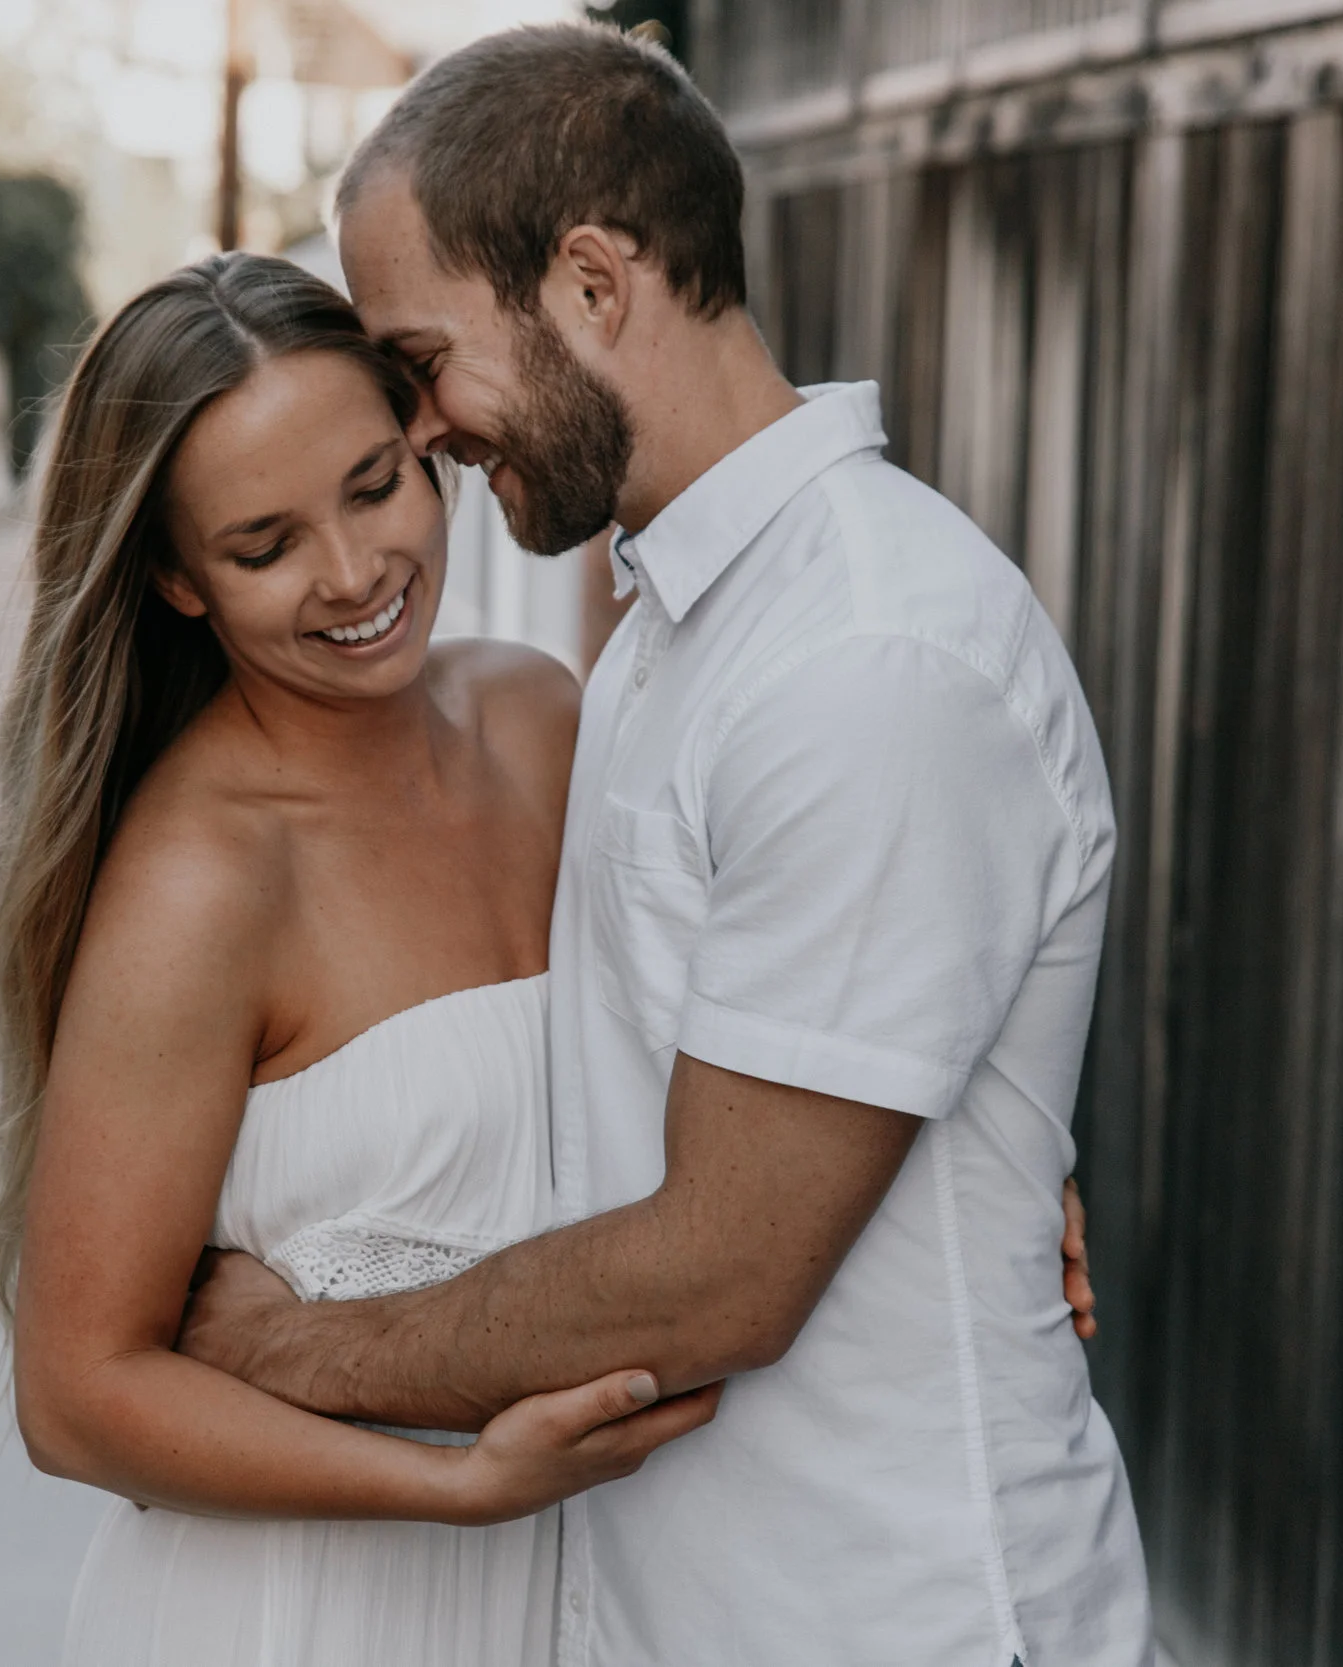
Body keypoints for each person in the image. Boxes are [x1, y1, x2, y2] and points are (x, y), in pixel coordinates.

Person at [175, 22, 1154, 1666]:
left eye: (423, 360)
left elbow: (720, 1277)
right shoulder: (681, 626)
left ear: (591, 283)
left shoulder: (865, 656)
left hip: (894, 1614)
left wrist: (289, 1346)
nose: (420, 432)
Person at [0, 252, 719, 1667]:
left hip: (586, 1583)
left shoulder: (539, 717)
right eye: (263, 546)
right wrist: (455, 1486)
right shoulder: (205, 880)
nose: (356, 571)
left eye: (374, 485)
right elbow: (76, 1391)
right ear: (179, 582)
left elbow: (739, 1014)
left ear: (422, 435)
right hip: (311, 1609)